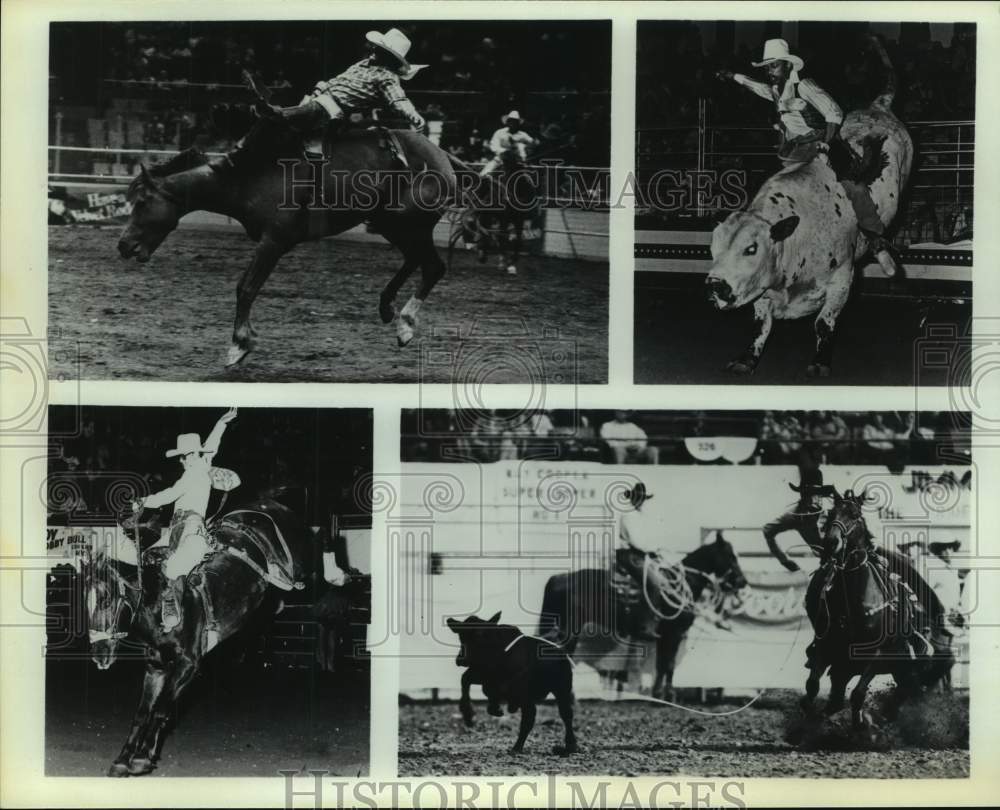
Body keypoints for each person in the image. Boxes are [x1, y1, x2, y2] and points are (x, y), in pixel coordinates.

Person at [717, 38, 900, 276]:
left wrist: (825, 143)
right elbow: (760, 89)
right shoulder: (775, 88)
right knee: (764, 186)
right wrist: (734, 77)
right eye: (767, 67)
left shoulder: (804, 85)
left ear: (787, 65)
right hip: (793, 151)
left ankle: (877, 244)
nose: (769, 72)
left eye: (774, 66)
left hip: (819, 144)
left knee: (852, 188)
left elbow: (834, 113)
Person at [132, 408, 240, 633]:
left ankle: (172, 606)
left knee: (174, 565)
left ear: (198, 455)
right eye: (184, 457)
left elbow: (212, 445)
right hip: (174, 529)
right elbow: (169, 494)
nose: (186, 460)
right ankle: (160, 604)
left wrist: (221, 423)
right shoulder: (187, 474)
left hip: (191, 526)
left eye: (191, 455)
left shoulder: (202, 467)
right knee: (146, 559)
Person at [248, 28, 427, 158]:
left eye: (378, 49)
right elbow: (338, 80)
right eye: (375, 47)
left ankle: (276, 112)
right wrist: (321, 88)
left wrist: (413, 114)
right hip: (322, 98)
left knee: (314, 109)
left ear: (389, 57)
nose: (373, 50)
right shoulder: (362, 64)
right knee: (307, 104)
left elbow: (398, 100)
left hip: (335, 110)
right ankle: (274, 118)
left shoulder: (387, 77)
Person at [763, 457, 834, 572]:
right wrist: (784, 560)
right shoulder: (795, 515)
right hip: (826, 563)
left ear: (822, 495)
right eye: (809, 495)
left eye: (817, 494)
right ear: (802, 496)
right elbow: (767, 530)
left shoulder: (832, 511)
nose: (815, 499)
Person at [479, 111, 538, 177]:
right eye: (510, 121)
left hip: (518, 161)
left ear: (518, 123)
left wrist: (522, 147)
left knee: (530, 176)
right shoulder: (500, 132)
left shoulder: (522, 135)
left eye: (515, 122)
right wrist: (504, 151)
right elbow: (494, 145)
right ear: (507, 122)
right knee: (484, 174)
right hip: (501, 159)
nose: (512, 123)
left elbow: (533, 144)